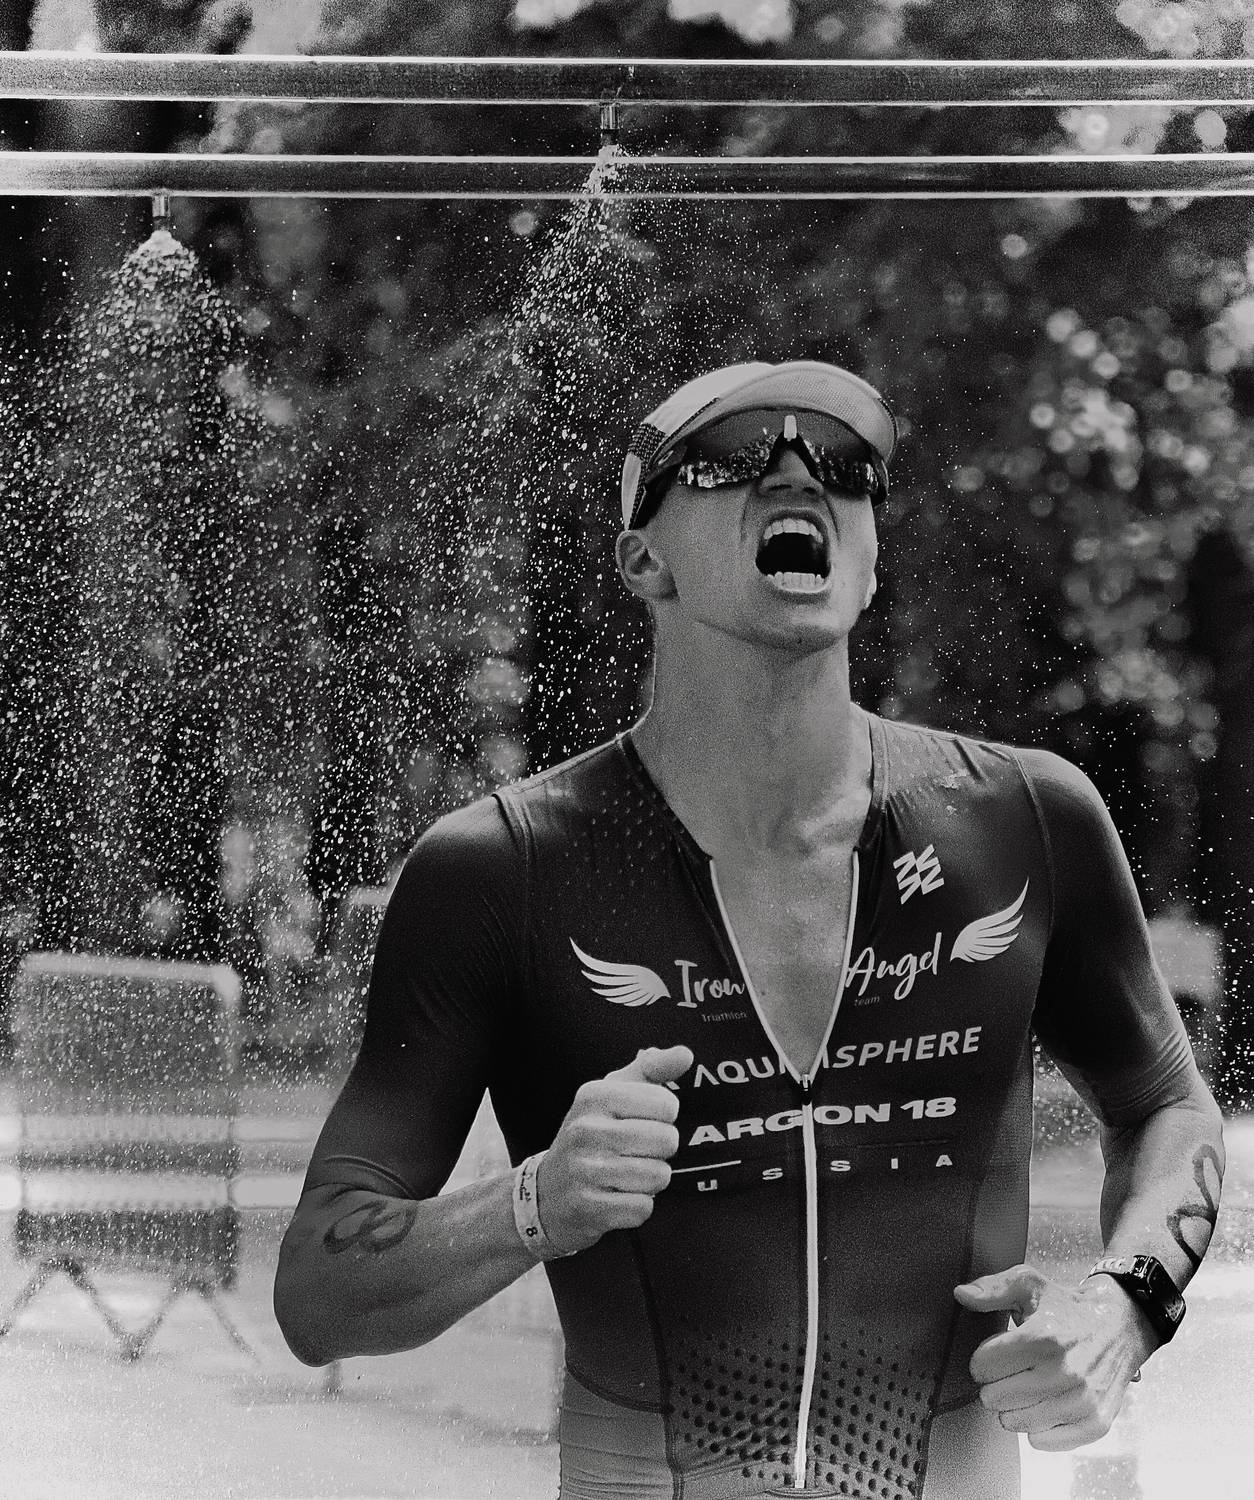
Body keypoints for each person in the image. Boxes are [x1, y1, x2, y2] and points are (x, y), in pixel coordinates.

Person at [274, 360, 1226, 1500]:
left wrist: (1127, 1302)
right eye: (728, 460)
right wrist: (533, 1205)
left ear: (869, 560)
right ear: (643, 559)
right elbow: (317, 1294)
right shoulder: (502, 869)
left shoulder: (1024, 819)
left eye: (846, 466)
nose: (798, 476)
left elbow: (1167, 1105)